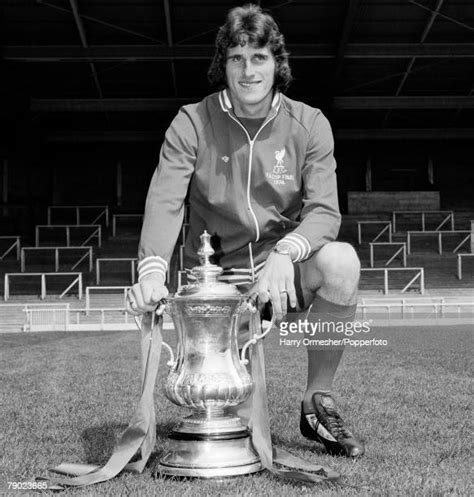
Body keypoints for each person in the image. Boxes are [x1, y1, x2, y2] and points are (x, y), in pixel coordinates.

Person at [126, 3, 365, 458]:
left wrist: (285, 254)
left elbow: (325, 212)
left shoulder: (310, 124)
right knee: (236, 425)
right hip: (220, 282)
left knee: (341, 263)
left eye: (259, 57)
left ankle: (317, 401)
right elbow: (164, 202)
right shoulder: (192, 123)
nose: (248, 70)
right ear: (224, 65)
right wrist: (152, 272)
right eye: (237, 57)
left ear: (277, 64)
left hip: (283, 275)